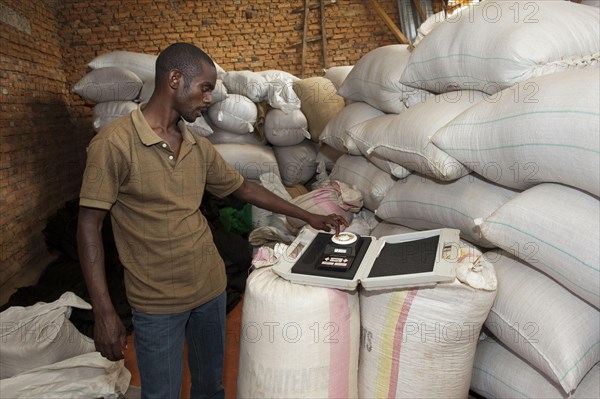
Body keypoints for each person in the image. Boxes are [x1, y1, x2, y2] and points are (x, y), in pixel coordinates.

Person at [77, 42, 348, 399]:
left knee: (211, 388)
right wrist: (104, 312)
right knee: (161, 394)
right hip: (156, 303)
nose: (209, 99)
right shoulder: (114, 144)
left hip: (209, 291)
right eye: (204, 88)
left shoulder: (195, 145)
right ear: (175, 79)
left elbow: (245, 189)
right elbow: (87, 226)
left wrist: (309, 215)